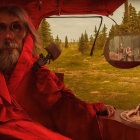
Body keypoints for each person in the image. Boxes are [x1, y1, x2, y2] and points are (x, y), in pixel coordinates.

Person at [0, 5, 115, 140]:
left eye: (16, 27)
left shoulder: (39, 73)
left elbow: (61, 105)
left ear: (27, 34)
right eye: (0, 28)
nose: (8, 36)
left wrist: (93, 108)